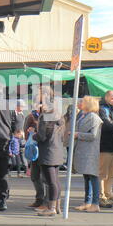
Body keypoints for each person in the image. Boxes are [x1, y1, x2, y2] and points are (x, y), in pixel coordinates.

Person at [32, 87, 65, 216]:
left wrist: (33, 136)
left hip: (48, 151)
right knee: (55, 181)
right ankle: (57, 207)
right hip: (56, 150)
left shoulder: (46, 116)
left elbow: (42, 136)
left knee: (51, 181)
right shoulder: (58, 115)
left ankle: (51, 208)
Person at [73, 96, 103, 213]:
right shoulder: (84, 115)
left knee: (93, 176)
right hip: (84, 151)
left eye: (83, 101)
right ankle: (87, 202)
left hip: (90, 151)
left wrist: (77, 134)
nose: (81, 103)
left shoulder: (94, 118)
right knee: (87, 177)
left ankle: (95, 203)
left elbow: (93, 135)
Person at [98, 90, 113, 208]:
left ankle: (108, 195)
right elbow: (107, 125)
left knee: (111, 174)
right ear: (107, 97)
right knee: (103, 173)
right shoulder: (102, 109)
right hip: (105, 146)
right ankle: (101, 196)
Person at [24, 104, 47, 209]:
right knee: (34, 176)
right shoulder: (31, 116)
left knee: (46, 177)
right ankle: (39, 199)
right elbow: (26, 133)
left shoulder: (49, 117)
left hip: (46, 150)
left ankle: (46, 201)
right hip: (34, 150)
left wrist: (35, 132)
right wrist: (30, 132)